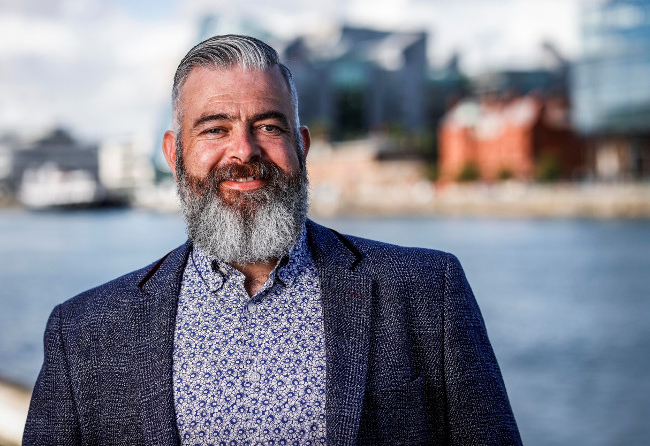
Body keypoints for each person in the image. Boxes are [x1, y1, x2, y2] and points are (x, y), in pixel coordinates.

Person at [24, 35, 522, 445]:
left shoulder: (425, 292)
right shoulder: (84, 334)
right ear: (174, 154)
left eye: (267, 125)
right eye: (215, 129)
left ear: (300, 147)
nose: (243, 150)